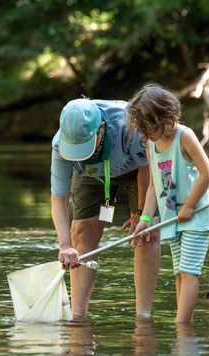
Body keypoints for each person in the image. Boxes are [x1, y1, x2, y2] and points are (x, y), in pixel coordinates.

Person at [51, 97, 161, 318]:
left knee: (147, 232)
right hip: (91, 176)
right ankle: (78, 317)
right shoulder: (59, 144)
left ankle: (143, 317)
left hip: (136, 170)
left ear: (101, 129)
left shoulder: (128, 123)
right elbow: (59, 199)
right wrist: (64, 246)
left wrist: (140, 214)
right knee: (80, 231)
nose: (82, 152)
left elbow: (146, 168)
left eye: (84, 146)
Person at [127, 83, 209, 323]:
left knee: (189, 273)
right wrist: (146, 218)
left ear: (165, 116)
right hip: (172, 217)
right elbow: (152, 187)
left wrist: (189, 206)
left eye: (150, 127)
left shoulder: (185, 136)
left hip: (196, 215)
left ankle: (181, 326)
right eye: (142, 129)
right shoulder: (150, 144)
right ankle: (184, 325)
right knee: (179, 273)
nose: (146, 133)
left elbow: (207, 173)